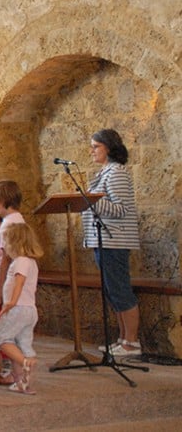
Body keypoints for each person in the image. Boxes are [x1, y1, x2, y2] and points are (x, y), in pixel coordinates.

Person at [83, 129, 143, 356]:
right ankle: (122, 338)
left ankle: (132, 342)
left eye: (95, 146)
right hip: (103, 240)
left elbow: (121, 209)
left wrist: (90, 201)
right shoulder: (105, 172)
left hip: (114, 240)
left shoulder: (117, 172)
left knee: (120, 290)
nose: (92, 151)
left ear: (108, 147)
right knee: (112, 290)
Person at [0, 179, 26, 385]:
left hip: (7, 278)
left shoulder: (9, 223)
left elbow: (6, 256)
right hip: (5, 275)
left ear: (2, 200)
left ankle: (13, 371)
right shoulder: (15, 220)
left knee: (4, 325)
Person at [0, 223, 43, 394]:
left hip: (17, 308)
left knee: (3, 341)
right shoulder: (31, 261)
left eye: (6, 242)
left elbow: (19, 282)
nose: (5, 246)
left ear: (15, 243)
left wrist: (11, 302)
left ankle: (25, 362)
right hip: (29, 309)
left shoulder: (20, 261)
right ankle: (23, 382)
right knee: (22, 344)